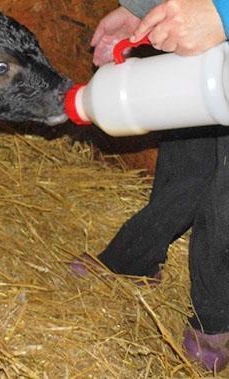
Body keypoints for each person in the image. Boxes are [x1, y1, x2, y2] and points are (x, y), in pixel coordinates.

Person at [75, 0, 229, 372]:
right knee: (187, 148)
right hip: (205, 26)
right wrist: (143, 7)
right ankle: (136, 258)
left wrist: (223, 13)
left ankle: (216, 314)